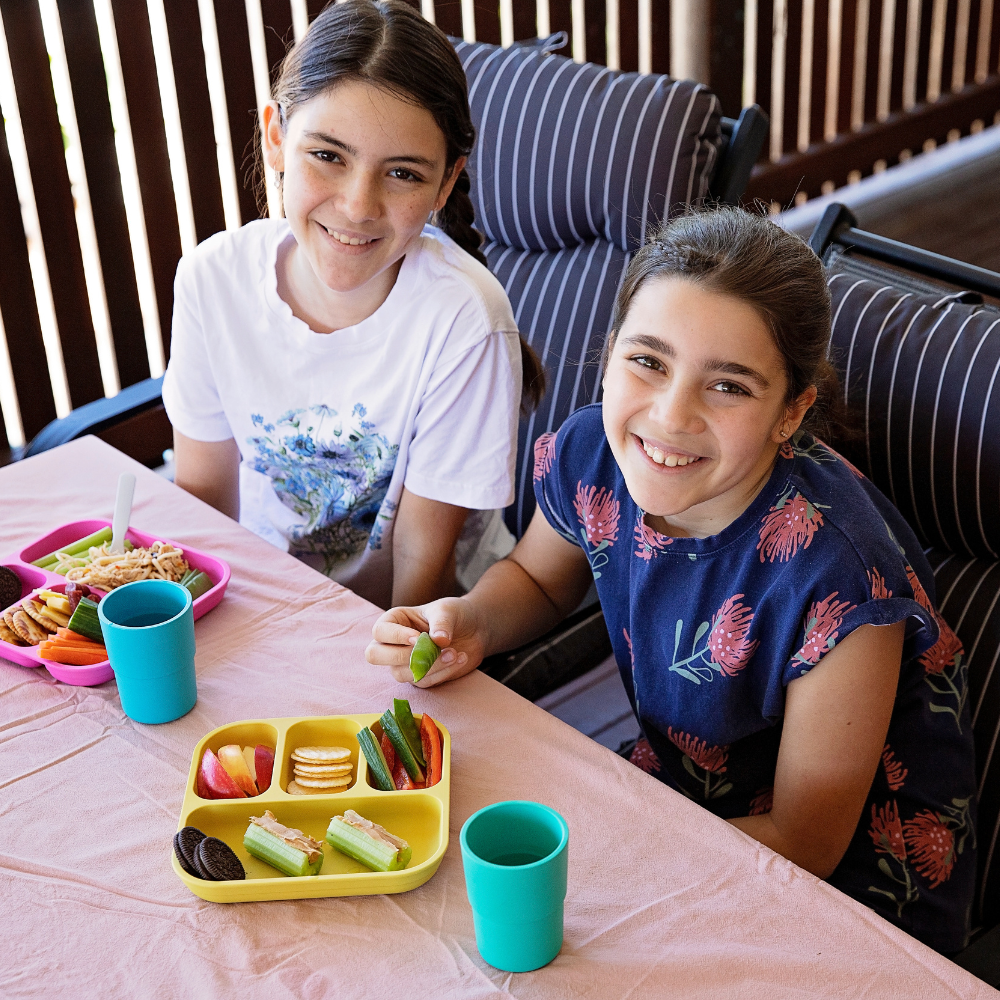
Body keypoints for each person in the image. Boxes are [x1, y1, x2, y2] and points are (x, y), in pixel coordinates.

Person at [367, 207, 978, 952]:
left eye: (728, 387)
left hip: (843, 890)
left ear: (792, 412)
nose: (669, 415)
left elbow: (806, 841)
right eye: (647, 361)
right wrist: (473, 621)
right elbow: (537, 576)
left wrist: (614, 866)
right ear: (608, 353)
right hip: (681, 798)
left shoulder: (841, 580)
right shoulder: (597, 451)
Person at [163, 0, 542, 609]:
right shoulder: (213, 279)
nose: (359, 205)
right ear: (277, 138)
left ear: (447, 182)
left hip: (409, 624)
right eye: (328, 156)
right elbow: (206, 513)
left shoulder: (464, 321)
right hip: (264, 601)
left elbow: (421, 584)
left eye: (403, 174)